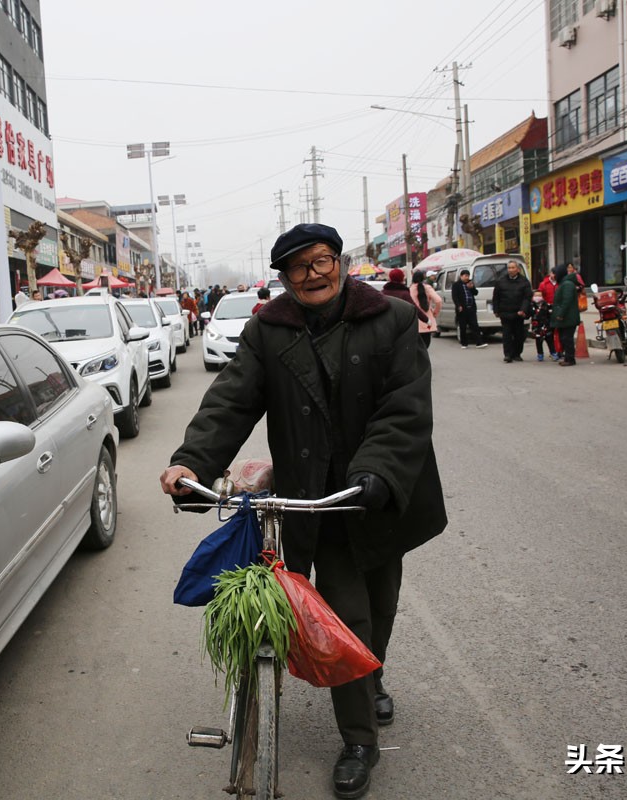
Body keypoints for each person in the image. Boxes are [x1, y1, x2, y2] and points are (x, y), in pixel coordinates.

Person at [160, 223, 447, 800]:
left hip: (378, 490)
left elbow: (404, 407)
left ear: (339, 263)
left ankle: (373, 676)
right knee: (346, 613)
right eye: (299, 267)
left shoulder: (389, 318)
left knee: (382, 602)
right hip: (314, 498)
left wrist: (378, 472)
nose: (313, 274)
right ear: (285, 279)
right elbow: (232, 399)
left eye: (322, 261)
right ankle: (360, 739)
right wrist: (192, 461)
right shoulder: (269, 331)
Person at [491, 260, 533, 363]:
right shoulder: (501, 281)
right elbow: (496, 297)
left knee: (519, 335)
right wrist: (496, 310)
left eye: (513, 268)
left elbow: (527, 297)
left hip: (518, 313)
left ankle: (517, 354)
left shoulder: (524, 282)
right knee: (506, 335)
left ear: (518, 269)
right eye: (509, 268)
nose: (510, 270)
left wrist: (523, 310)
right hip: (505, 313)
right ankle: (508, 355)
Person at [549, 264, 580, 366]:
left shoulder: (567, 284)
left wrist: (560, 314)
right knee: (564, 338)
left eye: (554, 273)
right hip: (566, 317)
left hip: (568, 317)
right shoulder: (564, 283)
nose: (552, 275)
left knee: (567, 338)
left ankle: (570, 359)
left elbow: (566, 301)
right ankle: (567, 358)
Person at [450, 269, 487, 348]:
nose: (467, 278)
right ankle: (464, 343)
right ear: (461, 276)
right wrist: (458, 305)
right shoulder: (456, 285)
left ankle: (479, 343)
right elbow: (454, 296)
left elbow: (475, 293)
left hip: (471, 308)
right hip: (462, 309)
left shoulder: (470, 283)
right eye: (465, 276)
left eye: (468, 276)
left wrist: (472, 287)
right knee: (462, 326)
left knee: (475, 325)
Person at [410, 268, 443, 349]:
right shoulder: (427, 288)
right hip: (427, 322)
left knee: (416, 349)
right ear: (423, 278)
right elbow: (438, 301)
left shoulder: (410, 289)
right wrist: (435, 313)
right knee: (425, 347)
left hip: (414, 322)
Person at [529, 290, 556, 361]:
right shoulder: (531, 306)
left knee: (550, 340)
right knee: (538, 341)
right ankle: (540, 354)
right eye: (536, 295)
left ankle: (553, 353)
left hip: (546, 326)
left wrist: (551, 323)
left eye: (539, 295)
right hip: (536, 327)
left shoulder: (546, 305)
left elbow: (550, 315)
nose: (537, 297)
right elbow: (528, 314)